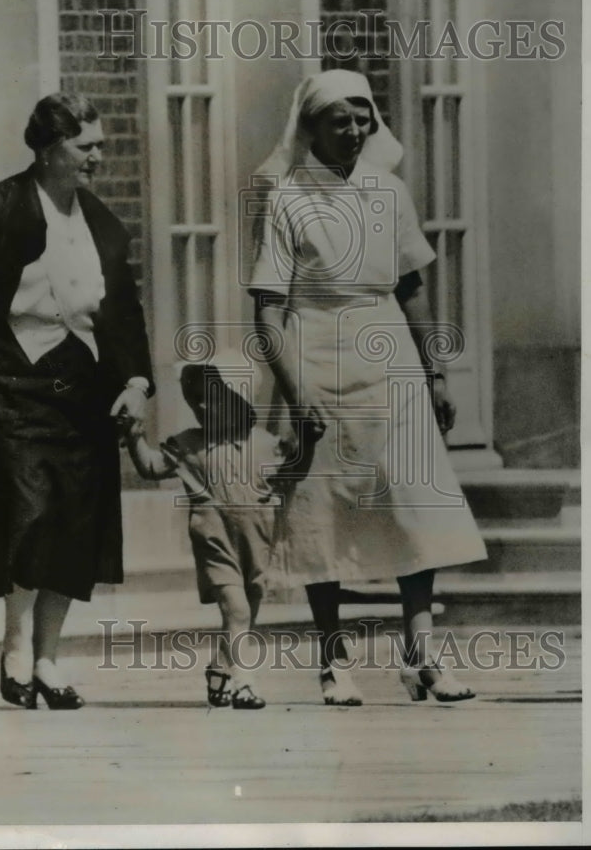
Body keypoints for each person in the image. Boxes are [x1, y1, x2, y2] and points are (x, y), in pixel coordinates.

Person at [248, 69, 488, 706]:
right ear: (311, 127)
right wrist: (296, 394)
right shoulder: (284, 198)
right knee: (322, 511)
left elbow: (410, 289)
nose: (354, 131)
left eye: (362, 118)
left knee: (415, 504)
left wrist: (434, 370)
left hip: (391, 362)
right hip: (316, 358)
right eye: (339, 120)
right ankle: (333, 661)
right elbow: (267, 312)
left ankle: (422, 656)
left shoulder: (391, 192)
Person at [0, 93, 154, 709]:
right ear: (49, 150)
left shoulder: (101, 222)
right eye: (85, 146)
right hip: (11, 382)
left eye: (99, 145)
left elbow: (122, 313)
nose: (98, 156)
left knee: (74, 523)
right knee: (30, 516)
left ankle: (48, 659)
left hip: (82, 389)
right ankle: (16, 648)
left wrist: (136, 383)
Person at [124, 350, 293, 710]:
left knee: (243, 614)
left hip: (258, 545)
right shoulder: (188, 444)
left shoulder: (266, 444)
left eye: (212, 397)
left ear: (241, 400)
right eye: (195, 395)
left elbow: (295, 473)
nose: (200, 404)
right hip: (214, 542)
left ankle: (219, 666)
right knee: (238, 610)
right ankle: (244, 682)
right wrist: (135, 438)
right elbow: (152, 468)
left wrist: (306, 441)